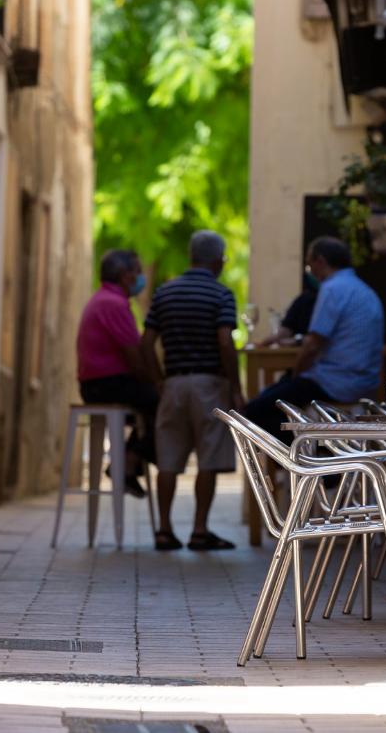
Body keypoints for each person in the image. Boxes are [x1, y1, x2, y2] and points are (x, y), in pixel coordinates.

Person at [140, 230, 245, 551]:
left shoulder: (164, 293)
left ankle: (164, 529)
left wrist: (159, 380)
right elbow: (225, 341)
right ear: (217, 261)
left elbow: (146, 344)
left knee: (168, 459)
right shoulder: (221, 294)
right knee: (209, 458)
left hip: (173, 384)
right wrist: (235, 386)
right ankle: (200, 530)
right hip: (209, 385)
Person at [242, 236, 384, 441]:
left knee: (255, 410)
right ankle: (313, 454)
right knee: (281, 394)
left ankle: (304, 458)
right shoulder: (364, 290)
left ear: (320, 261)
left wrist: (296, 375)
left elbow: (312, 345)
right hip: (365, 383)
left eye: (309, 264)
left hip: (335, 382)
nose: (309, 270)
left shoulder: (333, 288)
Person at [76, 249, 156, 498]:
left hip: (97, 383)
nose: (140, 277)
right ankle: (127, 463)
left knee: (156, 407)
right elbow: (135, 357)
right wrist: (156, 383)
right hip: (107, 385)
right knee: (169, 409)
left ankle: (127, 463)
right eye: (137, 271)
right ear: (124, 275)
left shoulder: (102, 300)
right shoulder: (114, 304)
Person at [256, 271, 319, 346]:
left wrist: (297, 341)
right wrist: (262, 344)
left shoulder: (329, 295)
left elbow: (321, 339)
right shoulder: (304, 299)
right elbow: (285, 330)